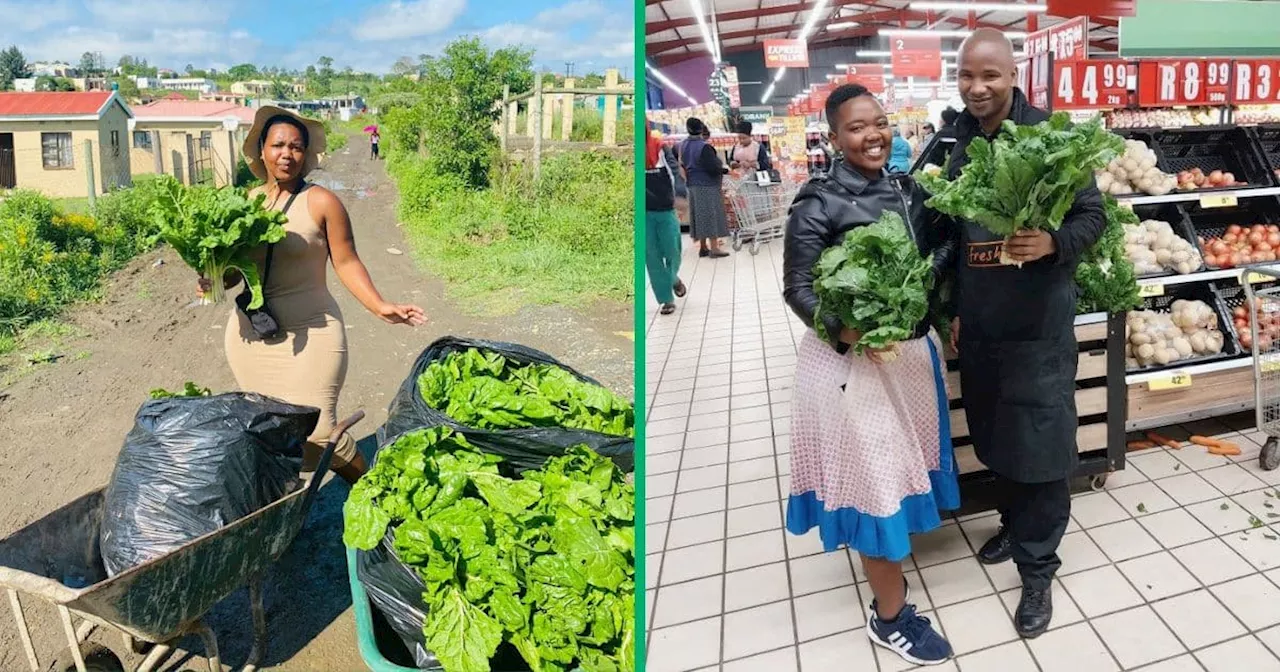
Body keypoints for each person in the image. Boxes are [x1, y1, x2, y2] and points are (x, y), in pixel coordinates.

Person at [783, 83, 960, 667]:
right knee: (875, 486)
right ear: (833, 138)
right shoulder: (816, 203)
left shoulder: (911, 191)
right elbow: (798, 288)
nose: (873, 135)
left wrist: (943, 313)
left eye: (880, 123)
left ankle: (890, 596)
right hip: (853, 371)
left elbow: (934, 261)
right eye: (857, 127)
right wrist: (848, 330)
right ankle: (890, 618)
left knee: (898, 474)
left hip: (907, 362)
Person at [948, 28, 1106, 638]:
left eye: (989, 75)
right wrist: (954, 308)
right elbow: (954, 241)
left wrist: (1053, 243)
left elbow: (1093, 215)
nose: (977, 87)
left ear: (1013, 76)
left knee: (1040, 447)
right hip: (983, 327)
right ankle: (1014, 525)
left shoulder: (1050, 138)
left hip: (1039, 330)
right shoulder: (956, 144)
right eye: (967, 76)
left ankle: (1038, 570)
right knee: (993, 430)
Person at [198, 106, 426, 485]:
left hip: (313, 329)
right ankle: (283, 507)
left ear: (306, 154)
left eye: (297, 147)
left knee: (321, 432)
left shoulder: (322, 202)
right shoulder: (245, 202)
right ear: (262, 151)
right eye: (278, 145)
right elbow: (236, 271)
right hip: (252, 336)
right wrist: (213, 278)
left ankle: (377, 495)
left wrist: (379, 305)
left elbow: (348, 262)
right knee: (268, 432)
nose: (287, 154)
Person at [645, 127, 687, 315]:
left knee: (673, 251)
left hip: (665, 209)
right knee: (652, 257)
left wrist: (677, 198)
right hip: (644, 214)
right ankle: (666, 300)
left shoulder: (660, 147)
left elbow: (674, 174)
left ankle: (673, 279)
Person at [678, 118, 730, 258]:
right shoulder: (704, 147)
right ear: (701, 129)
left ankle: (703, 247)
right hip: (707, 184)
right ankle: (714, 248)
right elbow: (713, 168)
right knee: (710, 215)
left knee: (699, 215)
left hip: (692, 184)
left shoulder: (683, 145)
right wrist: (725, 170)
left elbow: (682, 164)